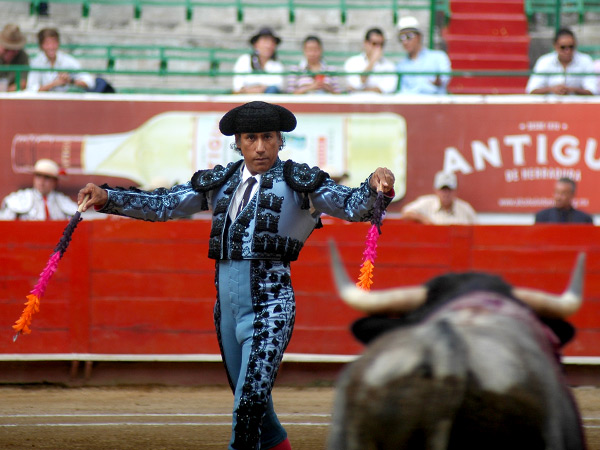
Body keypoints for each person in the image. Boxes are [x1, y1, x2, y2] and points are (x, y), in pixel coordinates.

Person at [77, 101, 396, 450]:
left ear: (280, 141)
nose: (260, 147)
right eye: (251, 138)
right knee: (260, 414)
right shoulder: (222, 182)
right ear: (239, 143)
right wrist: (109, 197)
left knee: (246, 408)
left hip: (272, 307)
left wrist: (375, 184)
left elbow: (353, 205)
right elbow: (165, 204)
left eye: (268, 137)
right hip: (227, 312)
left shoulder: (300, 182)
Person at [0, 158, 78, 220]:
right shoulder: (20, 199)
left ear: (55, 182)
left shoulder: (63, 202)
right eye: (38, 176)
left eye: (47, 178)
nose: (41, 181)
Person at [526, 28, 597, 96]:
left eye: (571, 47)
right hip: (550, 104)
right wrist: (551, 89)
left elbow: (592, 91)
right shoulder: (544, 61)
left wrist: (573, 90)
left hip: (577, 105)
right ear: (555, 46)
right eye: (563, 47)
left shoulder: (585, 60)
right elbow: (531, 90)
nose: (567, 51)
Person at [26, 27, 95, 92]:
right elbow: (31, 88)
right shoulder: (36, 62)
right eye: (47, 43)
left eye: (54, 43)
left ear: (58, 43)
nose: (51, 47)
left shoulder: (68, 61)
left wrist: (70, 81)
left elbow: (89, 82)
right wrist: (54, 84)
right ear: (41, 45)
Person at [395, 16, 451, 95]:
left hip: (434, 103)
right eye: (401, 38)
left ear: (419, 37)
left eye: (409, 36)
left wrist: (438, 82)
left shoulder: (438, 57)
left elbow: (444, 80)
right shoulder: (401, 65)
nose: (405, 42)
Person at [401, 171, 476, 225]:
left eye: (449, 190)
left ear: (455, 191)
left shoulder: (465, 209)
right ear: (436, 190)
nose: (446, 194)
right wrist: (424, 220)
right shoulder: (427, 203)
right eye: (443, 190)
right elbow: (406, 213)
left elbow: (477, 231)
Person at [343, 28, 397, 94]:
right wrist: (372, 62)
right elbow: (357, 84)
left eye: (381, 44)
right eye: (374, 44)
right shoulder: (352, 62)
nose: (378, 48)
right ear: (365, 43)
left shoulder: (389, 65)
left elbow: (388, 88)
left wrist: (361, 91)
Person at [232, 27, 285, 94]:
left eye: (272, 42)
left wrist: (252, 89)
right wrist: (259, 89)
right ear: (255, 44)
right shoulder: (244, 60)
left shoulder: (277, 65)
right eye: (265, 41)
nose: (268, 46)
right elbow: (237, 88)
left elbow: (277, 86)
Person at [0, 24, 29, 91]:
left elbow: (23, 83)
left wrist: (6, 91)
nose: (11, 53)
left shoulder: (22, 56)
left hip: (12, 95)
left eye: (14, 49)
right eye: (7, 49)